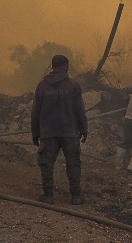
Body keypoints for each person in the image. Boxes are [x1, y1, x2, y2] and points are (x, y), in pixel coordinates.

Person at [31, 55, 89, 205]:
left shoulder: (42, 86)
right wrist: (84, 129)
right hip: (70, 133)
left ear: (52, 66)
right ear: (65, 66)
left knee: (47, 164)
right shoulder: (73, 86)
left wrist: (35, 133)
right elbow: (79, 110)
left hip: (48, 133)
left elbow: (35, 111)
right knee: (73, 164)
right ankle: (76, 196)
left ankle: (48, 196)